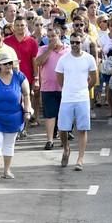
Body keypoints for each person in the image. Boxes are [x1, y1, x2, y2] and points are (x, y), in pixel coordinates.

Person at [0, 52, 31, 180]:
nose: (8, 65)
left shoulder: (19, 77)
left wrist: (27, 111)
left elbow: (26, 94)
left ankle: (7, 170)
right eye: (5, 64)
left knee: (9, 143)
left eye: (10, 63)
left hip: (14, 116)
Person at [55, 32, 98, 171]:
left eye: (77, 42)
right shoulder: (63, 59)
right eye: (72, 42)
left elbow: (94, 78)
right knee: (63, 128)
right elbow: (60, 78)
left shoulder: (89, 58)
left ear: (82, 43)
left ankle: (80, 158)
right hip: (67, 98)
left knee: (82, 129)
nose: (74, 45)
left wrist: (84, 89)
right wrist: (68, 89)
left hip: (82, 98)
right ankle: (66, 149)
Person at [35, 27, 67, 150]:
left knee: (63, 114)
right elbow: (38, 63)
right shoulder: (43, 49)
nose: (51, 39)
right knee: (49, 114)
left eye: (53, 36)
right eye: (48, 36)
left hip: (64, 87)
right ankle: (49, 140)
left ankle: (63, 136)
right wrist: (49, 50)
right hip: (48, 87)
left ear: (59, 35)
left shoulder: (67, 50)